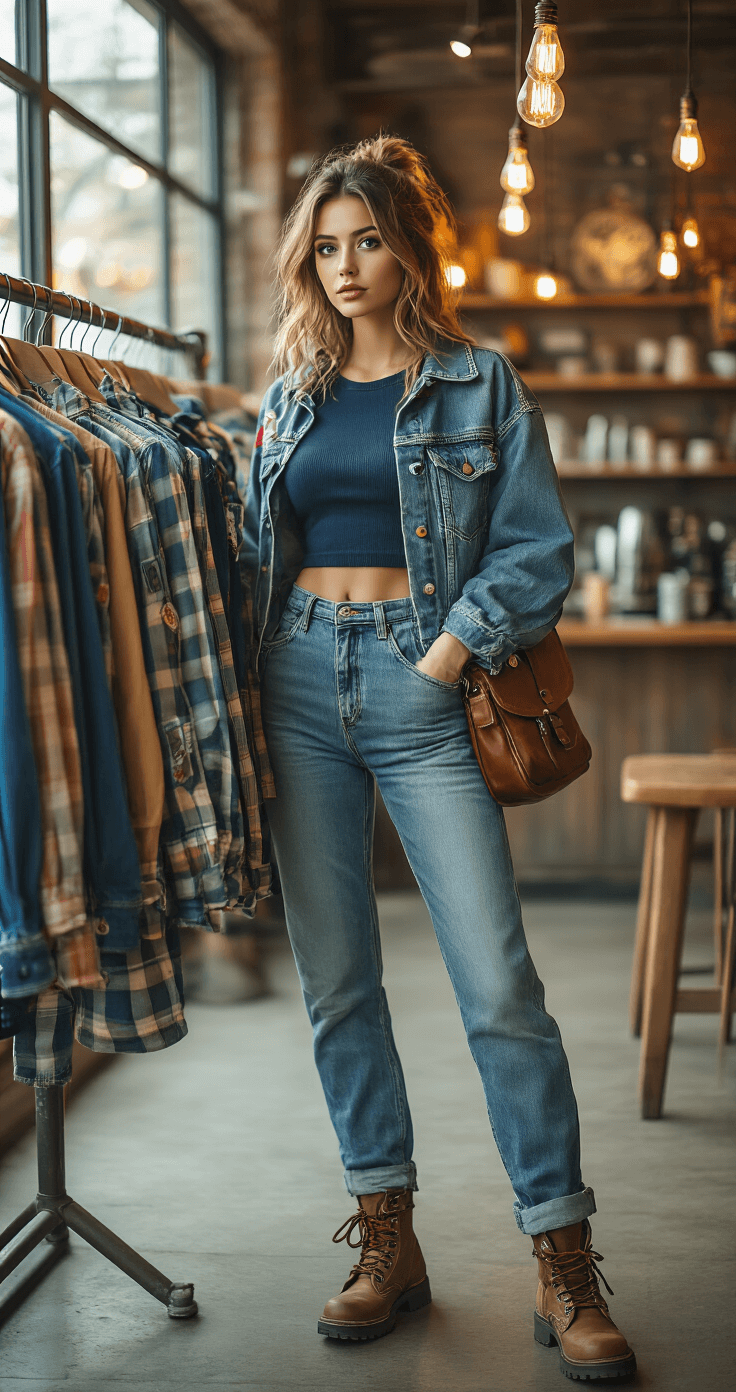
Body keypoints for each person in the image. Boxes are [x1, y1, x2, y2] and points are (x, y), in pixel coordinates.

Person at [241, 134, 636, 1382]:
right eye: (327, 244)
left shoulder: (477, 381)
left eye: (368, 241)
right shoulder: (291, 388)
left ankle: (560, 1257)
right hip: (297, 680)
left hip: (426, 687)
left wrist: (448, 655)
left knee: (499, 989)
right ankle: (387, 1242)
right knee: (339, 986)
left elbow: (534, 551)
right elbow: (258, 550)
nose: (346, 265)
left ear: (410, 248)